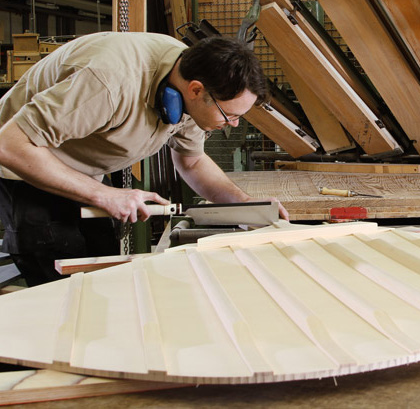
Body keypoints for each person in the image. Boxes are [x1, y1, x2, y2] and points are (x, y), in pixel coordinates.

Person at [0, 31, 289, 286]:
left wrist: (246, 204)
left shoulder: (190, 86)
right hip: (26, 164)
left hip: (85, 171)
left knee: (102, 269)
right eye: (231, 115)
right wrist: (104, 194)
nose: (235, 124)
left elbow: (193, 162)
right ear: (196, 90)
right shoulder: (110, 81)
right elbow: (9, 144)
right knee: (60, 273)